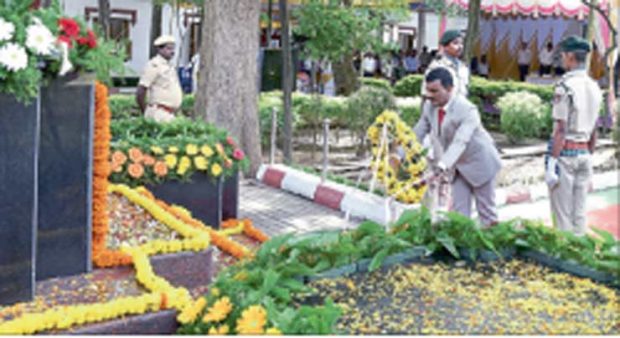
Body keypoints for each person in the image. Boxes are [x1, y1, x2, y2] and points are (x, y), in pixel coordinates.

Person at [414, 67, 502, 226]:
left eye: (434, 91)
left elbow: (460, 141)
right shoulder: (429, 106)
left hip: (480, 164)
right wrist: (401, 154)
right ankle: (463, 249)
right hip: (457, 167)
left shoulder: (467, 110)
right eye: (428, 90)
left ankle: (495, 249)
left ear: (449, 89)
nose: (429, 95)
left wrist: (440, 168)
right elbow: (418, 132)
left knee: (488, 215)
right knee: (459, 217)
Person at [545, 35, 603, 236]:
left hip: (566, 154)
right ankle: (580, 256)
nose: (562, 59)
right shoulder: (594, 86)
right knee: (579, 214)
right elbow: (595, 127)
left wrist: (552, 163)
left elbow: (560, 129)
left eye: (563, 55)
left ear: (570, 56)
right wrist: (590, 155)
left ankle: (564, 261)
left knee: (562, 217)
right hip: (585, 153)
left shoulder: (566, 86)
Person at [136, 35, 183, 123]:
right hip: (159, 113)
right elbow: (141, 91)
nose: (172, 52)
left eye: (173, 49)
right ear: (160, 49)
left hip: (170, 113)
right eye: (169, 49)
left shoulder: (169, 66)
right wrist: (145, 111)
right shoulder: (154, 65)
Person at [423, 29, 470, 98]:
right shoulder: (437, 66)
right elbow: (427, 94)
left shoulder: (463, 67)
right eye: (455, 43)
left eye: (461, 43)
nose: (460, 47)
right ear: (445, 46)